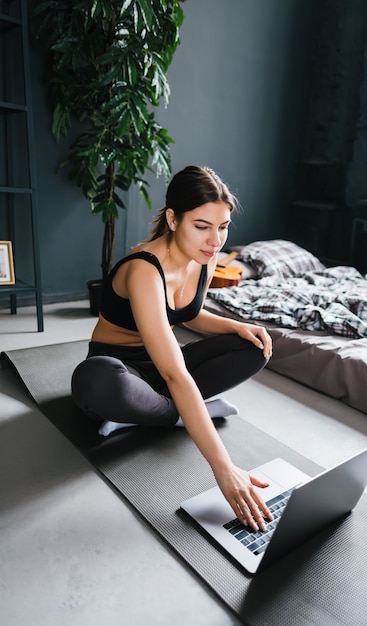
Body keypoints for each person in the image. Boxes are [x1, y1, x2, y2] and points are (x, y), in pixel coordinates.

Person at [71, 165, 273, 531]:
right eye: (202, 225)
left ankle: (152, 413)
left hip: (163, 365)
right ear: (173, 219)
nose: (215, 240)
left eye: (223, 226)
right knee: (97, 380)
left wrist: (238, 326)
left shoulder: (205, 258)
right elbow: (174, 372)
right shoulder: (144, 269)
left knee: (253, 348)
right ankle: (177, 413)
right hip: (122, 369)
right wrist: (223, 467)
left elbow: (187, 315)